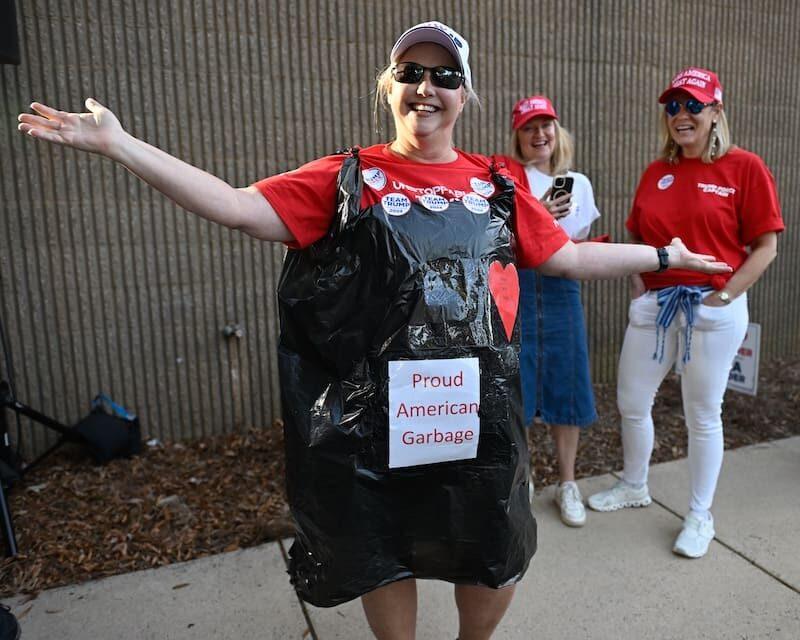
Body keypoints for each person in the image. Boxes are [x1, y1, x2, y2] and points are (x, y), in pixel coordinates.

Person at [17, 24, 732, 639]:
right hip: (376, 418)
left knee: (492, 544)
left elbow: (569, 255)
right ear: (388, 86)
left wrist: (664, 256)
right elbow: (237, 208)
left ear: (466, 95)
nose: (427, 86)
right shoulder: (346, 177)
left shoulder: (499, 183)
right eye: (410, 72)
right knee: (382, 543)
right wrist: (121, 145)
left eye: (444, 75)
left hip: (478, 413)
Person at [587, 67, 784, 559]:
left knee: (702, 414)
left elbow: (766, 247)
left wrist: (726, 295)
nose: (681, 115)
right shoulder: (657, 171)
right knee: (632, 401)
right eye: (673, 106)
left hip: (712, 307)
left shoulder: (744, 167)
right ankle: (634, 485)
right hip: (655, 304)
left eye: (693, 105)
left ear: (716, 111)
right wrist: (639, 285)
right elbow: (639, 235)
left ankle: (700, 515)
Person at [496, 95, 601, 527]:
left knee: (568, 381)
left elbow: (573, 239)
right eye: (529, 128)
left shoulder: (576, 181)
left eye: (546, 126)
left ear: (557, 132)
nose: (539, 135)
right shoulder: (508, 177)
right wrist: (538, 214)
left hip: (560, 290)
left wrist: (544, 221)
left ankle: (569, 482)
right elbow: (497, 233)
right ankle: (523, 478)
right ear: (518, 137)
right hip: (517, 290)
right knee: (517, 386)